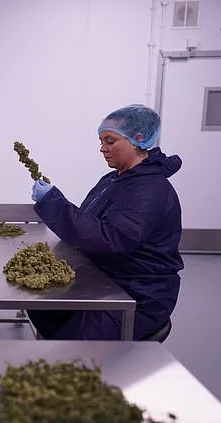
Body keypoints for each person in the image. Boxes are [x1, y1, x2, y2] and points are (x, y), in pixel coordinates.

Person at [28, 104, 184, 340]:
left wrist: (53, 202)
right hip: (104, 279)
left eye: (110, 141)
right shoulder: (114, 179)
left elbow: (110, 239)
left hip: (138, 293)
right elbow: (88, 221)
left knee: (72, 345)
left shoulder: (149, 190)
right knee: (40, 307)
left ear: (138, 139)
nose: (102, 148)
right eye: (101, 141)